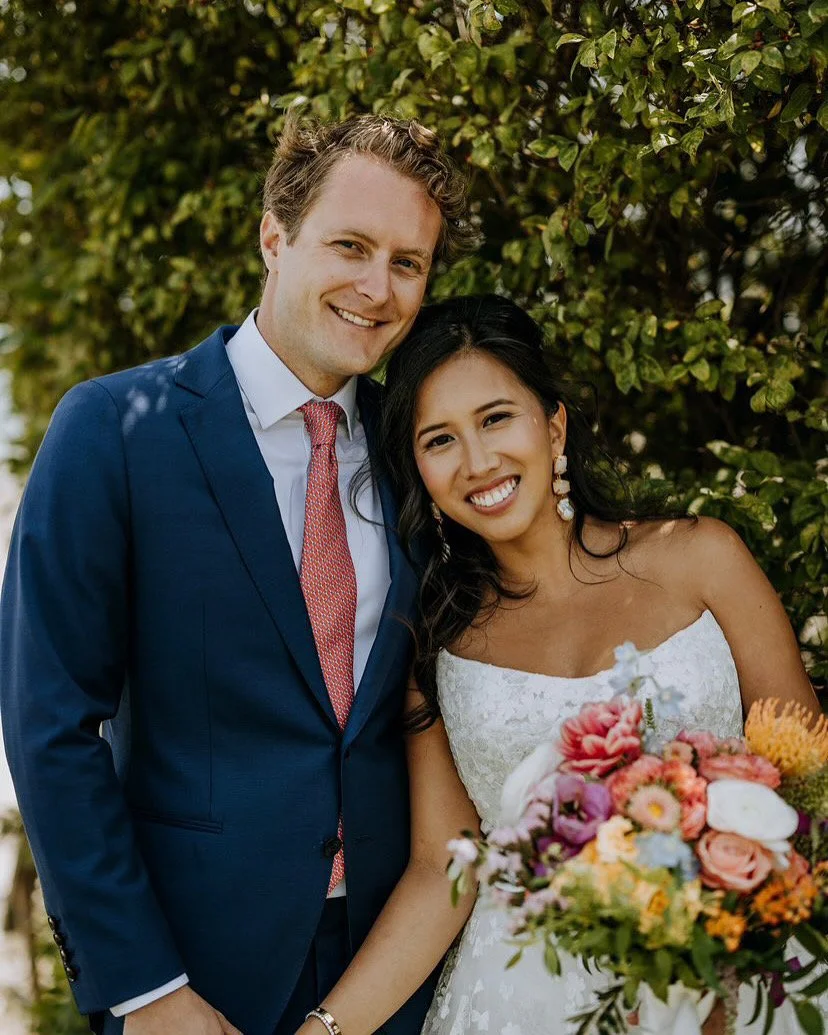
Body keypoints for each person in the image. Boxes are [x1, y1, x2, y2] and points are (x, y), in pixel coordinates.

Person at [0, 113, 476, 1035]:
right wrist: (144, 989)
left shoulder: (420, 446)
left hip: (395, 973)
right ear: (273, 233)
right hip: (190, 973)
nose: (378, 289)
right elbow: (52, 725)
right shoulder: (113, 429)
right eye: (350, 245)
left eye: (408, 263)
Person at [291, 294, 823, 1035]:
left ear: (554, 423)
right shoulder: (437, 642)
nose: (478, 462)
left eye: (496, 418)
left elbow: (808, 785)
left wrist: (718, 959)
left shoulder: (701, 557)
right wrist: (324, 1029)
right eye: (439, 439)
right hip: (525, 995)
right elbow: (444, 869)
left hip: (737, 973)